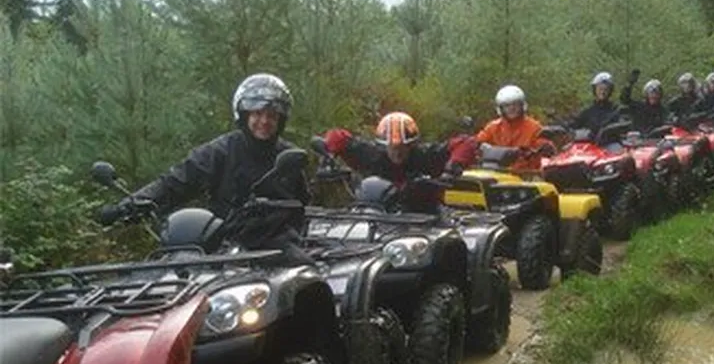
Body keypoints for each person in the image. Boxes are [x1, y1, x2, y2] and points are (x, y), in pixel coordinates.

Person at [116, 73, 309, 220]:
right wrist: (130, 204)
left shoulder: (290, 156)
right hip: (227, 245)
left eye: (272, 115)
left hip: (280, 243)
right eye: (257, 114)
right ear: (244, 115)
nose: (264, 121)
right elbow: (176, 181)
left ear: (281, 120)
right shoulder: (221, 150)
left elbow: (303, 204)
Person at [321, 111, 477, 189]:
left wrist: (454, 165)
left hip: (424, 214)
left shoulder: (426, 155)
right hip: (375, 213)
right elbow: (338, 136)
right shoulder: (371, 154)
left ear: (411, 145)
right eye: (393, 147)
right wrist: (329, 153)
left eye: (403, 147)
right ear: (384, 145)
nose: (397, 152)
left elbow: (466, 142)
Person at [474, 85, 556, 170]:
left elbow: (544, 147)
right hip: (497, 171)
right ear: (501, 108)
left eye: (515, 104)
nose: (511, 108)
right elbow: (477, 143)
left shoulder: (535, 127)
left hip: (525, 173)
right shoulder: (493, 127)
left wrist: (545, 147)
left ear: (522, 106)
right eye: (507, 105)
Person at [569, 72, 622, 137]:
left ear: (610, 91)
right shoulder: (588, 112)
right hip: (591, 142)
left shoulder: (616, 110)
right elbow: (573, 126)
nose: (602, 92)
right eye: (600, 89)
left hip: (611, 142)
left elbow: (623, 127)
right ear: (594, 90)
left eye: (606, 89)